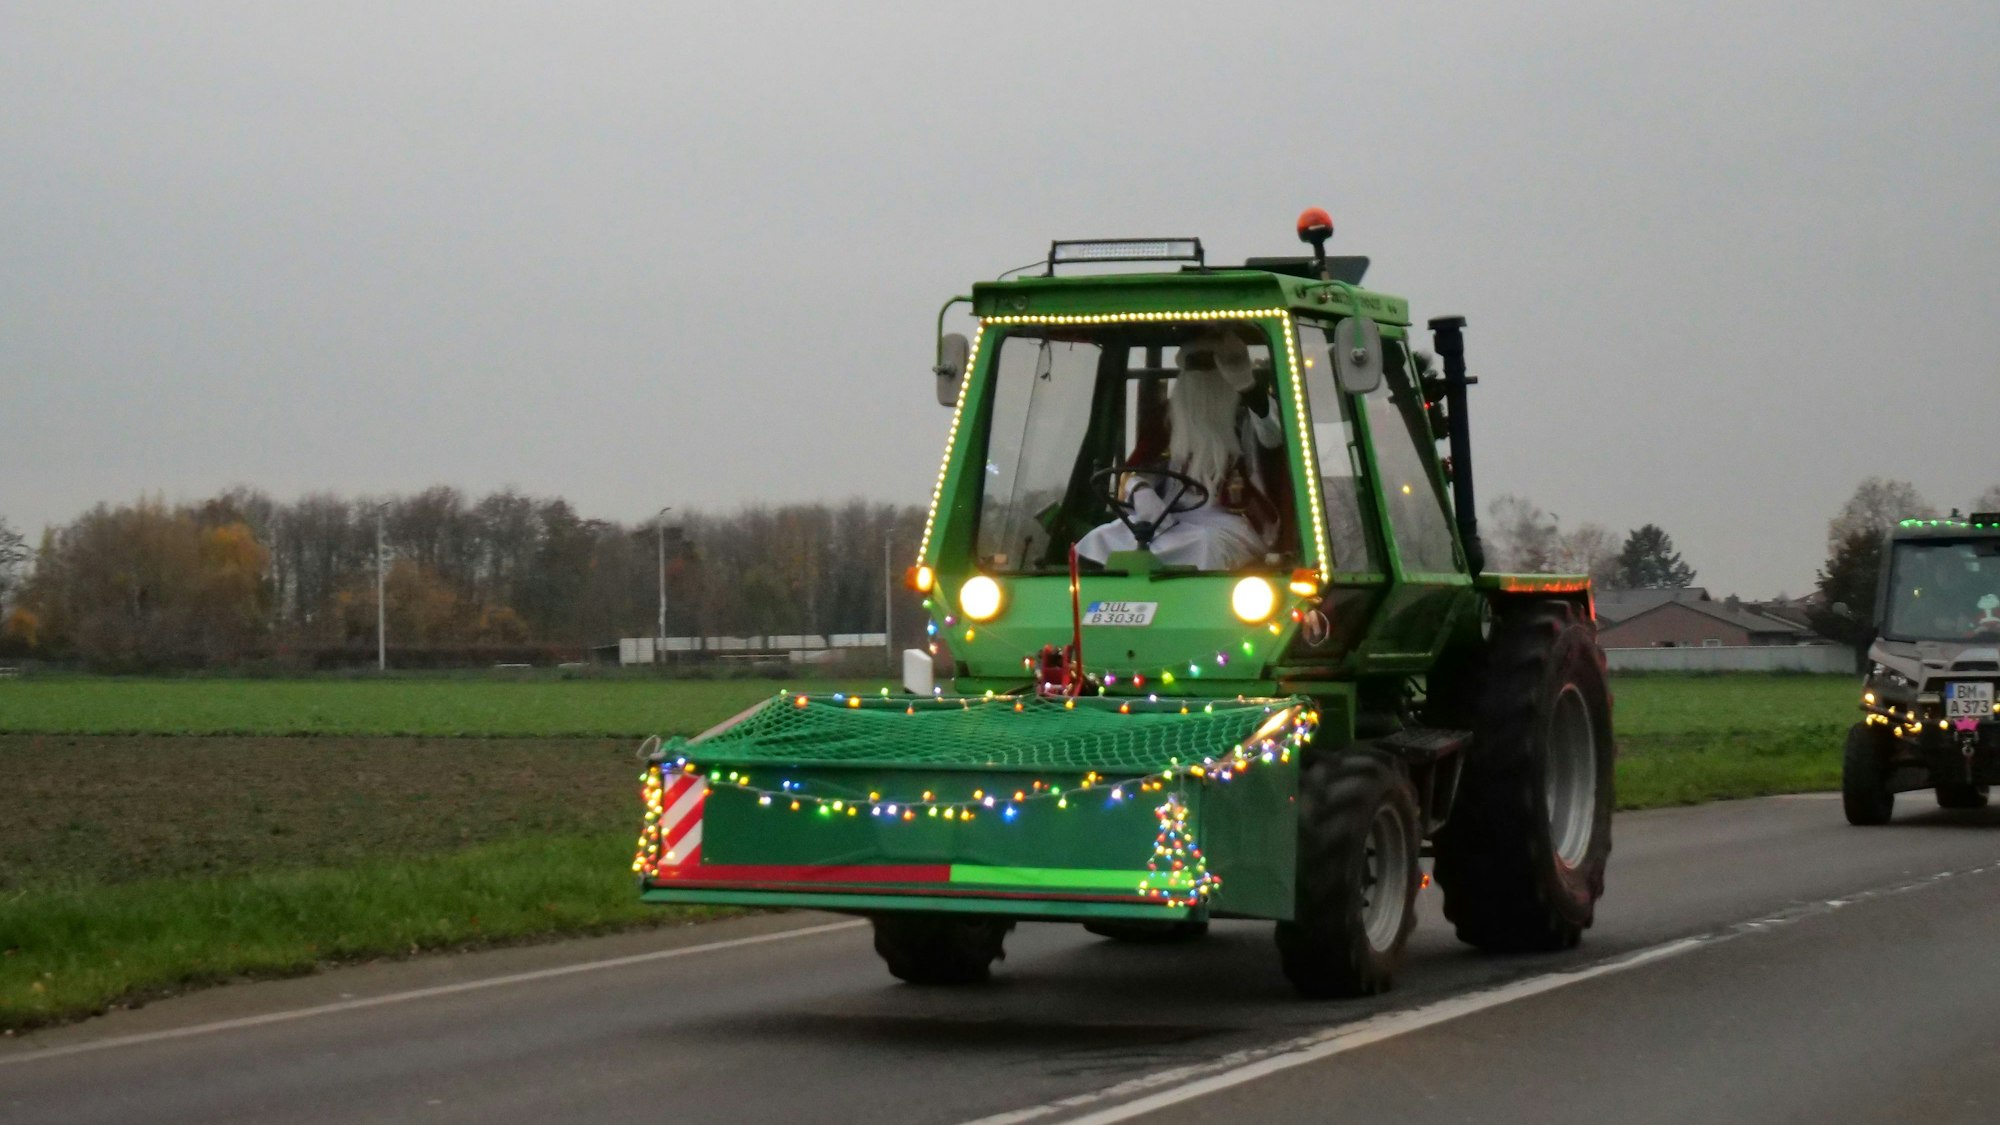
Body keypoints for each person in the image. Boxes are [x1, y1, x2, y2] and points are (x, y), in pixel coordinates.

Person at [1075, 328, 1283, 570]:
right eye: (1195, 366)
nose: (1202, 377)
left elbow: (1272, 436)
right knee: (1100, 538)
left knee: (1204, 545)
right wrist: (1141, 489)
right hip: (1166, 520)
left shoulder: (1249, 414)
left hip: (1230, 522)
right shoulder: (1167, 419)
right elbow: (1135, 470)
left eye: (1210, 365)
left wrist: (1247, 387)